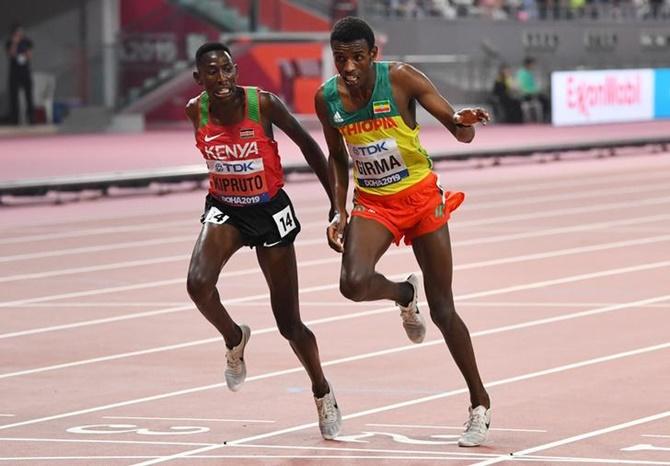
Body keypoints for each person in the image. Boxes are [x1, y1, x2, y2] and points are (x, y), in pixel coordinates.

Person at [314, 17, 491, 447]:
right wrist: (337, 210)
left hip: (418, 198)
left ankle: (479, 404)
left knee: (445, 309)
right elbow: (337, 158)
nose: (350, 67)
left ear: (374, 54)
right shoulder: (328, 98)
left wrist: (462, 120)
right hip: (374, 202)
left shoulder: (401, 79)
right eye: (341, 59)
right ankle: (403, 295)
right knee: (352, 284)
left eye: (358, 57)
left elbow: (459, 129)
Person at [185, 42, 341, 439]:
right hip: (227, 209)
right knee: (198, 284)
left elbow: (309, 147)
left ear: (236, 70)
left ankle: (322, 390)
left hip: (270, 212)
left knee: (289, 324)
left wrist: (335, 205)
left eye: (226, 70)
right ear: (198, 78)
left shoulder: (264, 104)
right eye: (211, 72)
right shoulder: (195, 111)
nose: (221, 79)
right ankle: (234, 338)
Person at [5, 23, 34, 125]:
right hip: (14, 73)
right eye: (17, 32)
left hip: (25, 72)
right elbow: (10, 55)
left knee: (29, 96)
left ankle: (31, 119)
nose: (19, 34)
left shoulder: (27, 41)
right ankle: (14, 120)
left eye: (21, 32)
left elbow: (29, 56)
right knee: (14, 97)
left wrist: (24, 47)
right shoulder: (10, 42)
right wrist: (15, 43)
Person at [516, 56, 550, 122]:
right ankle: (545, 119)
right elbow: (523, 87)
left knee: (545, 99)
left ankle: (543, 118)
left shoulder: (529, 73)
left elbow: (532, 85)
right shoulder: (522, 74)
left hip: (531, 93)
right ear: (528, 64)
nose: (533, 66)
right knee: (544, 100)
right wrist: (535, 91)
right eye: (532, 64)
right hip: (526, 95)